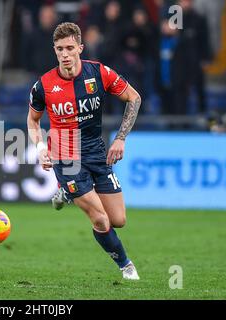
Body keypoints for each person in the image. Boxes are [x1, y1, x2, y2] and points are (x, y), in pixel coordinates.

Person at [26, 22, 141, 280]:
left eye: (69, 48)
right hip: (65, 157)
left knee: (118, 220)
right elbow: (32, 121)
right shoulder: (44, 85)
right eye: (59, 49)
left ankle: (66, 193)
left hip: (96, 151)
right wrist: (41, 147)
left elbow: (134, 98)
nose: (64, 54)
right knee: (100, 219)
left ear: (80, 47)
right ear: (54, 50)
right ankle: (126, 266)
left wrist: (121, 138)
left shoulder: (99, 73)